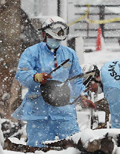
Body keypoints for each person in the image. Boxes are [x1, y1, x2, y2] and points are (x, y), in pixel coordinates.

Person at [12, 17, 84, 147]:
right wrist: (35, 77)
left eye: (58, 40)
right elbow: (21, 74)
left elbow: (77, 79)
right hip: (38, 111)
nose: (55, 42)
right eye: (53, 38)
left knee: (73, 147)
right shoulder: (31, 52)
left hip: (64, 110)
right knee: (38, 149)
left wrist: (82, 95)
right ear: (44, 34)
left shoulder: (70, 54)